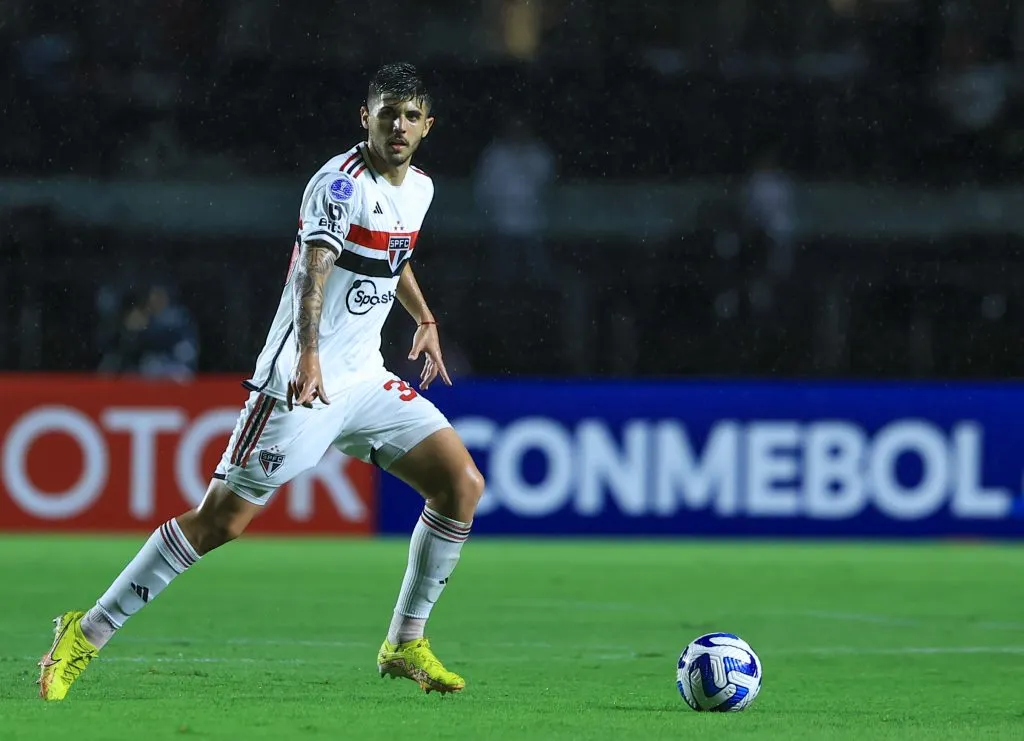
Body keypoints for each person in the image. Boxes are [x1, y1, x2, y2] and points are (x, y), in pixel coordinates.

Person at [38, 62, 484, 700]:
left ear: (427, 126)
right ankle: (86, 629)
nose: (398, 125)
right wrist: (306, 355)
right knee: (220, 521)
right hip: (300, 382)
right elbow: (314, 269)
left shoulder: (420, 188)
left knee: (460, 485)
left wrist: (425, 317)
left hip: (365, 378)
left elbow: (395, 253)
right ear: (366, 116)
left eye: (411, 115)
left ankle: (405, 642)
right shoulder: (338, 185)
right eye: (387, 112)